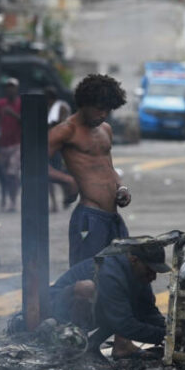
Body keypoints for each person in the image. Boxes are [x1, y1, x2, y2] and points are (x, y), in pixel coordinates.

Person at [48, 74, 130, 266]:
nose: (103, 115)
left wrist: (122, 188)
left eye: (108, 110)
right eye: (99, 109)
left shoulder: (106, 129)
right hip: (89, 217)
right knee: (85, 277)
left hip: (113, 218)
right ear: (85, 103)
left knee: (121, 274)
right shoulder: (66, 130)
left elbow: (109, 168)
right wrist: (66, 180)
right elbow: (32, 163)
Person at [47, 244, 169, 357]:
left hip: (95, 309)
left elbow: (148, 312)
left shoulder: (138, 275)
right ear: (134, 260)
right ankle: (76, 347)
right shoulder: (111, 274)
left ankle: (95, 348)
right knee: (96, 294)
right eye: (150, 270)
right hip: (57, 311)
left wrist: (170, 331)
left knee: (122, 308)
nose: (153, 277)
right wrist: (164, 336)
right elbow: (124, 325)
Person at [0, 78, 22, 212]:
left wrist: (12, 114)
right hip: (2, 144)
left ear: (16, 89)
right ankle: (5, 198)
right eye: (7, 87)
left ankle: (13, 200)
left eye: (12, 87)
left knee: (12, 173)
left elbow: (25, 121)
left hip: (16, 143)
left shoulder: (21, 103)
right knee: (3, 174)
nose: (10, 89)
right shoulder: (0, 104)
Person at [47, 87, 72, 213]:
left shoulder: (61, 107)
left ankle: (65, 198)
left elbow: (63, 124)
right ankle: (55, 203)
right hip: (50, 145)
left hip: (60, 145)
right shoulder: (47, 108)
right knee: (49, 175)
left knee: (61, 173)